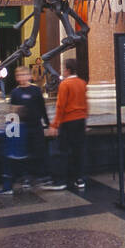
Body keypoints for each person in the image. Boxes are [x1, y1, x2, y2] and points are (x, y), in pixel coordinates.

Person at [45, 58, 88, 192]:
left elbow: (61, 106)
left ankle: (60, 180)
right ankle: (79, 179)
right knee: (78, 151)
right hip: (81, 120)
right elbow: (86, 103)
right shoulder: (82, 83)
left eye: (64, 68)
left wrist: (54, 124)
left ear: (67, 70)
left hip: (68, 121)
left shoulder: (64, 84)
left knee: (61, 151)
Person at [7, 65, 50, 188]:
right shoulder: (15, 93)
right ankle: (25, 176)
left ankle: (42, 175)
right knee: (24, 152)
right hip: (22, 127)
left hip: (36, 125)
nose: (23, 77)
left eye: (25, 75)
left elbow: (42, 107)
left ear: (30, 76)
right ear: (17, 78)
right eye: (20, 75)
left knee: (39, 150)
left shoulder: (36, 90)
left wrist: (47, 123)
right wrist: (11, 130)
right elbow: (12, 112)